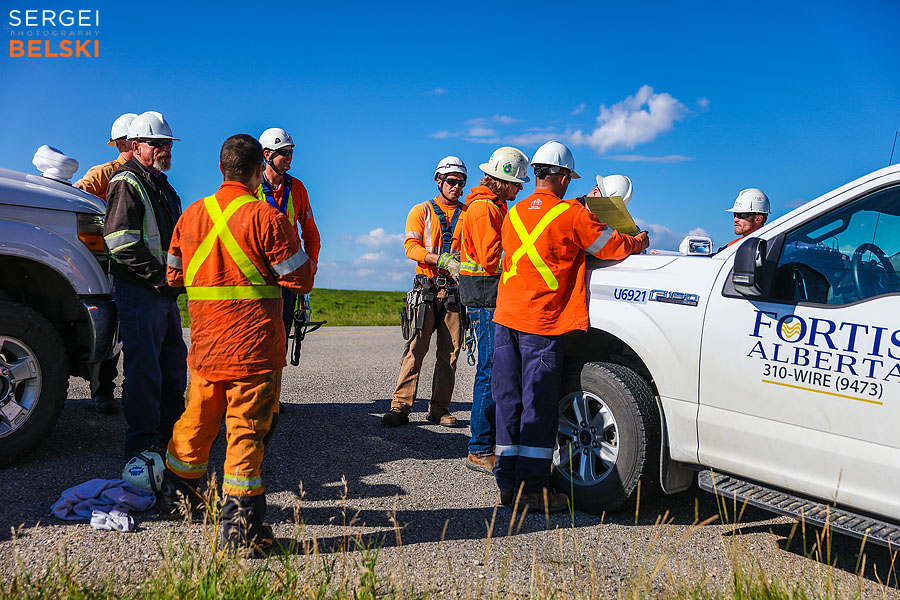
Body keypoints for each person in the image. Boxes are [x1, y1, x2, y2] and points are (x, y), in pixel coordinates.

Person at [160, 134, 316, 555]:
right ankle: (241, 533)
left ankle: (177, 503)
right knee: (245, 433)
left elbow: (174, 277)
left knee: (195, 423)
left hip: (207, 348)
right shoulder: (265, 216)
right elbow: (299, 278)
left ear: (221, 168)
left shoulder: (191, 215)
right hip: (253, 350)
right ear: (254, 171)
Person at [492, 141, 649, 512]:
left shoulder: (513, 213)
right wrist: (638, 241)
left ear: (536, 174)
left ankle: (507, 483)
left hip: (505, 318)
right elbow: (612, 247)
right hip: (541, 322)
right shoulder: (572, 215)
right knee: (537, 405)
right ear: (563, 177)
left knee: (508, 401)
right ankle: (532, 490)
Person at [103, 111, 188, 458]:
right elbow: (120, 242)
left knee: (172, 366)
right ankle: (141, 444)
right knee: (144, 371)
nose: (164, 149)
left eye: (167, 144)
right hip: (140, 290)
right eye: (157, 144)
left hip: (163, 294)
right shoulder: (126, 182)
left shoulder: (164, 187)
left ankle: (172, 436)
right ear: (136, 146)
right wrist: (161, 279)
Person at [457, 147, 530, 474]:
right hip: (486, 296)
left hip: (484, 295)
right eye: (517, 184)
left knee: (493, 368)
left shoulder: (488, 205)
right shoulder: (486, 209)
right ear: (502, 181)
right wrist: (528, 262)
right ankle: (480, 448)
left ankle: (488, 442)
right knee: (489, 370)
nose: (520, 190)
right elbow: (491, 259)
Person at [383, 156, 468, 428]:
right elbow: (411, 246)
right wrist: (439, 260)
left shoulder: (468, 215)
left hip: (455, 293)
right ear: (439, 181)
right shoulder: (421, 211)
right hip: (427, 289)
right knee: (416, 348)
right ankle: (400, 406)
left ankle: (439, 409)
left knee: (450, 354)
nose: (457, 187)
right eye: (452, 182)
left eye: (461, 183)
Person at [74, 112, 137, 414]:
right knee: (111, 331)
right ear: (124, 142)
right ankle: (103, 392)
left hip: (133, 266)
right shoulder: (103, 174)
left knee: (134, 334)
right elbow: (72, 198)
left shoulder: (144, 175)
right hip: (104, 265)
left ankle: (134, 391)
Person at [256, 128, 321, 347]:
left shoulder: (297, 188)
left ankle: (274, 382)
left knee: (280, 341)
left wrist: (311, 263)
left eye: (291, 152)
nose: (289, 157)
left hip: (288, 276)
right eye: (283, 152)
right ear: (267, 155)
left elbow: (311, 232)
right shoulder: (251, 186)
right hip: (258, 276)